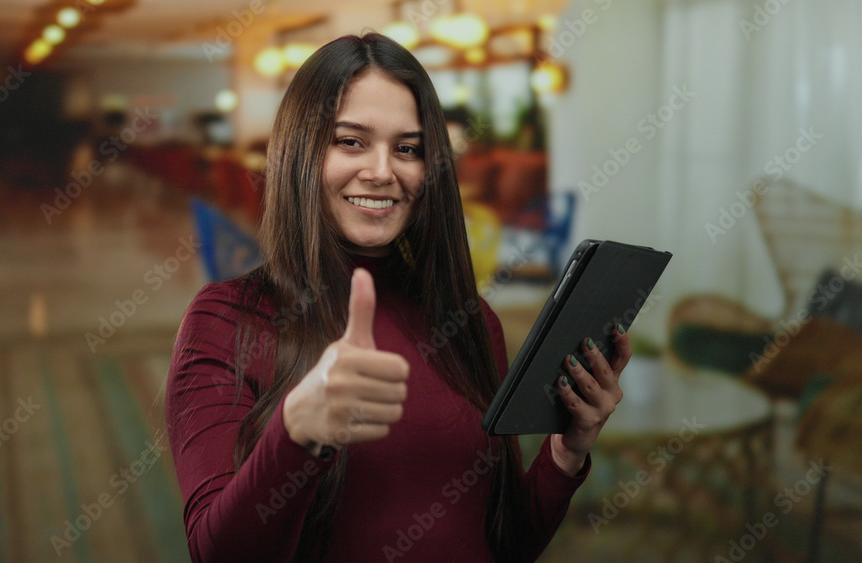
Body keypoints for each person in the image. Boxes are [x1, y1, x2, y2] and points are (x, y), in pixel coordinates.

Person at [165, 32, 630, 562]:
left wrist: (566, 453)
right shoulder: (226, 320)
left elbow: (505, 543)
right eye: (351, 141)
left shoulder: (472, 322)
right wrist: (298, 433)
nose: (383, 171)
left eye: (407, 148)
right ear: (300, 153)